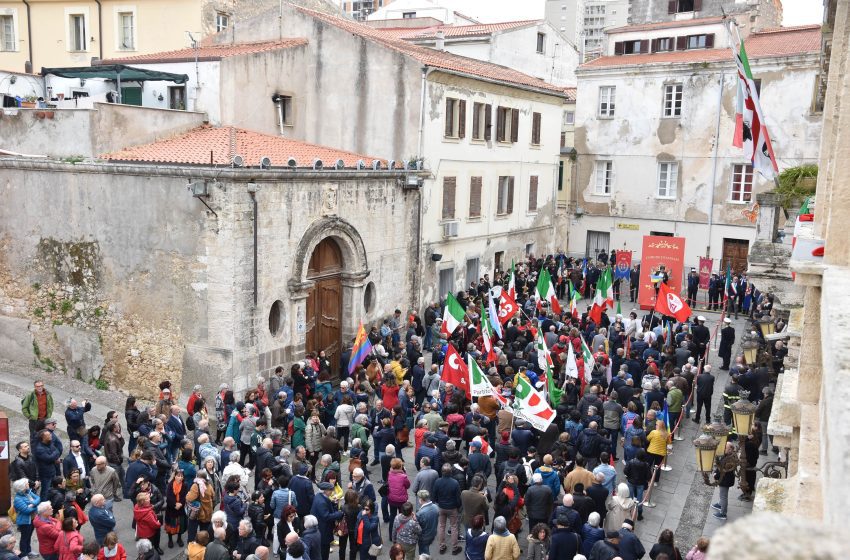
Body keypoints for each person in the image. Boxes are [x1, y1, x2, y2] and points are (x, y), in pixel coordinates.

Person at [432, 464, 462, 555]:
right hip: (452, 508)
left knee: (441, 526)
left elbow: (434, 495)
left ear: (442, 472)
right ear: (451, 472)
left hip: (441, 507)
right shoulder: (455, 483)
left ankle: (442, 546)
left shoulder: (437, 481)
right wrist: (458, 506)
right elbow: (458, 498)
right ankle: (454, 547)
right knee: (454, 527)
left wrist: (439, 502)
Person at [311, 482, 344, 560]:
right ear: (325, 490)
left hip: (320, 527)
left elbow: (327, 504)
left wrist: (333, 503)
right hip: (323, 530)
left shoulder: (319, 496)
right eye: (330, 490)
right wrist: (339, 514)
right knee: (324, 551)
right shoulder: (321, 502)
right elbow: (326, 516)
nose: (332, 492)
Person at [12, 478, 40, 557]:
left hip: (31, 519)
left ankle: (29, 551)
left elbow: (38, 499)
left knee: (29, 536)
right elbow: (27, 510)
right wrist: (35, 506)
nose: (29, 484)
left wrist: (32, 504)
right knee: (24, 538)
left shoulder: (28, 492)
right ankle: (23, 555)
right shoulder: (18, 499)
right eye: (27, 484)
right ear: (22, 487)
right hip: (24, 521)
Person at [186, 470, 215, 543]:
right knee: (204, 533)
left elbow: (190, 498)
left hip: (197, 513)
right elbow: (213, 496)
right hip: (207, 513)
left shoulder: (196, 485)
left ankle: (192, 548)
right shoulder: (209, 485)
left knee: (192, 532)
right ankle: (204, 547)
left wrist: (188, 494)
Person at [711, 443, 737, 521]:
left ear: (730, 450)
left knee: (723, 496)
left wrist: (716, 475)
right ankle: (720, 504)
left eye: (725, 447)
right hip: (725, 479)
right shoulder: (728, 455)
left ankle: (723, 513)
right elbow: (719, 465)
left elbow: (723, 470)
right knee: (722, 494)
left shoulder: (729, 459)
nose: (723, 448)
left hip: (725, 480)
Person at [165, 469, 189, 548]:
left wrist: (181, 504)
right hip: (171, 509)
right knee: (170, 525)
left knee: (180, 525)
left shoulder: (185, 485)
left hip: (180, 509)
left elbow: (185, 496)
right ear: (174, 476)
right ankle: (170, 539)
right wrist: (175, 504)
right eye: (178, 476)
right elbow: (169, 497)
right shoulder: (170, 485)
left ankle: (179, 538)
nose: (180, 478)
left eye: (181, 476)